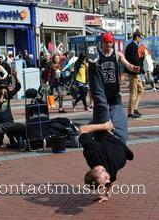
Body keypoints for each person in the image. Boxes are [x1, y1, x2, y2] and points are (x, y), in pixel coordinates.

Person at [78, 33, 140, 202]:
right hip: (120, 136)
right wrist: (106, 193)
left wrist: (103, 127)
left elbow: (82, 130)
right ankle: (92, 65)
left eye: (103, 181)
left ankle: (92, 65)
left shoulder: (91, 155)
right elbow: (112, 179)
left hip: (105, 130)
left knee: (99, 98)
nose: (108, 181)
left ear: (97, 171)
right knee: (118, 108)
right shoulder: (109, 173)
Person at [0, 71, 26, 148]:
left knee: (23, 127)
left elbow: (18, 87)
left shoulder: (7, 95)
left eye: (4, 87)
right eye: (1, 88)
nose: (3, 89)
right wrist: (2, 96)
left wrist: (15, 77)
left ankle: (17, 140)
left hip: (9, 122)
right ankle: (1, 141)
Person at [125, 31, 144, 118]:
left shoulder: (132, 46)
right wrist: (140, 68)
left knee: (141, 90)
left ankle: (134, 108)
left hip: (134, 72)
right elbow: (134, 59)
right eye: (140, 37)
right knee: (133, 92)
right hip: (133, 72)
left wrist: (142, 57)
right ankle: (130, 112)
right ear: (137, 37)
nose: (141, 39)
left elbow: (135, 59)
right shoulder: (133, 46)